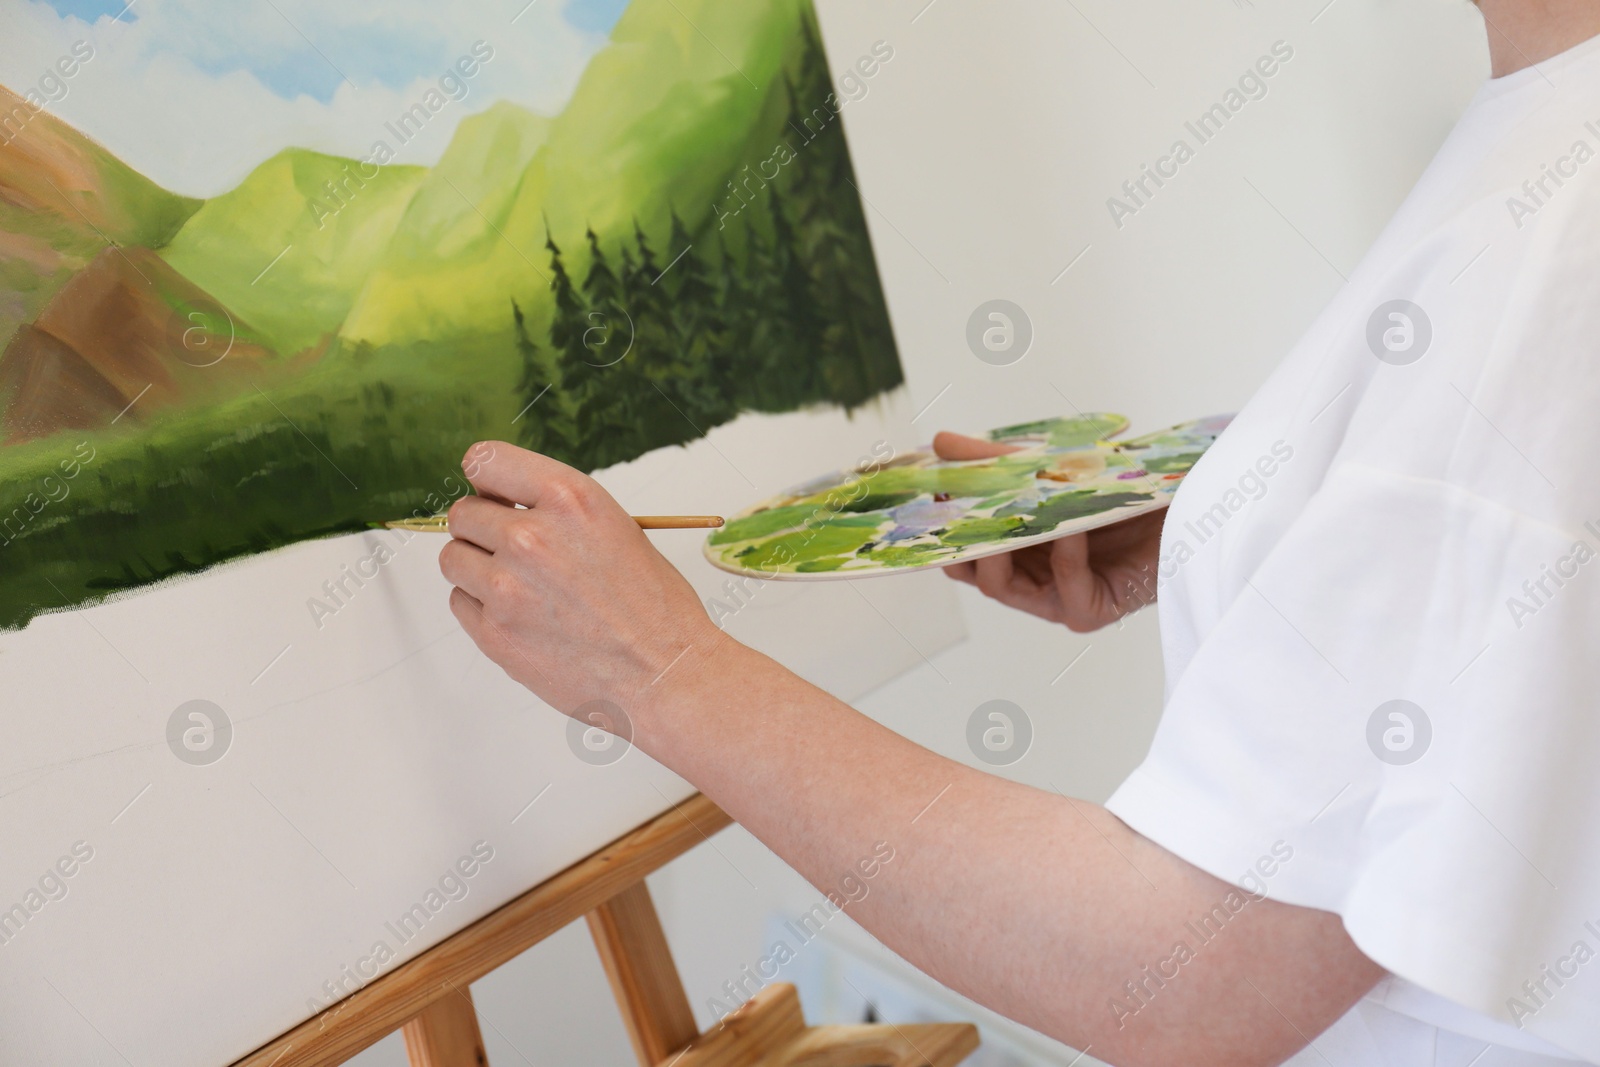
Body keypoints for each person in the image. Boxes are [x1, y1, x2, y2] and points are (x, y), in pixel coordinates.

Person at [437, 3, 1600, 1063]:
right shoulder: (1543, 145)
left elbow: (1181, 973)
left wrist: (659, 667)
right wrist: (1255, 508)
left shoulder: (1542, 233)